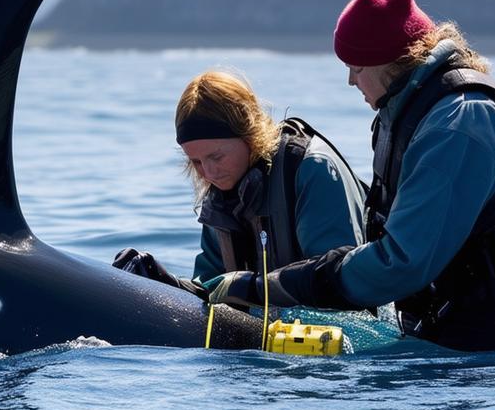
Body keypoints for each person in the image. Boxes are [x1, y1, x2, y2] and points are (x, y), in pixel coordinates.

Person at [207, 0, 495, 351]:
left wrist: (268, 287)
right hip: (460, 307)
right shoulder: (410, 111)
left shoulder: (460, 122)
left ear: (389, 61)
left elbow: (403, 262)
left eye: (356, 66)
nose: (351, 80)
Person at [114, 70, 367, 298]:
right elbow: (211, 288)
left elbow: (339, 283)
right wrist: (163, 284)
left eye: (216, 156)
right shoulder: (223, 191)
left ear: (250, 136)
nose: (209, 172)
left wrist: (250, 287)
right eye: (197, 162)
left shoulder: (314, 170)